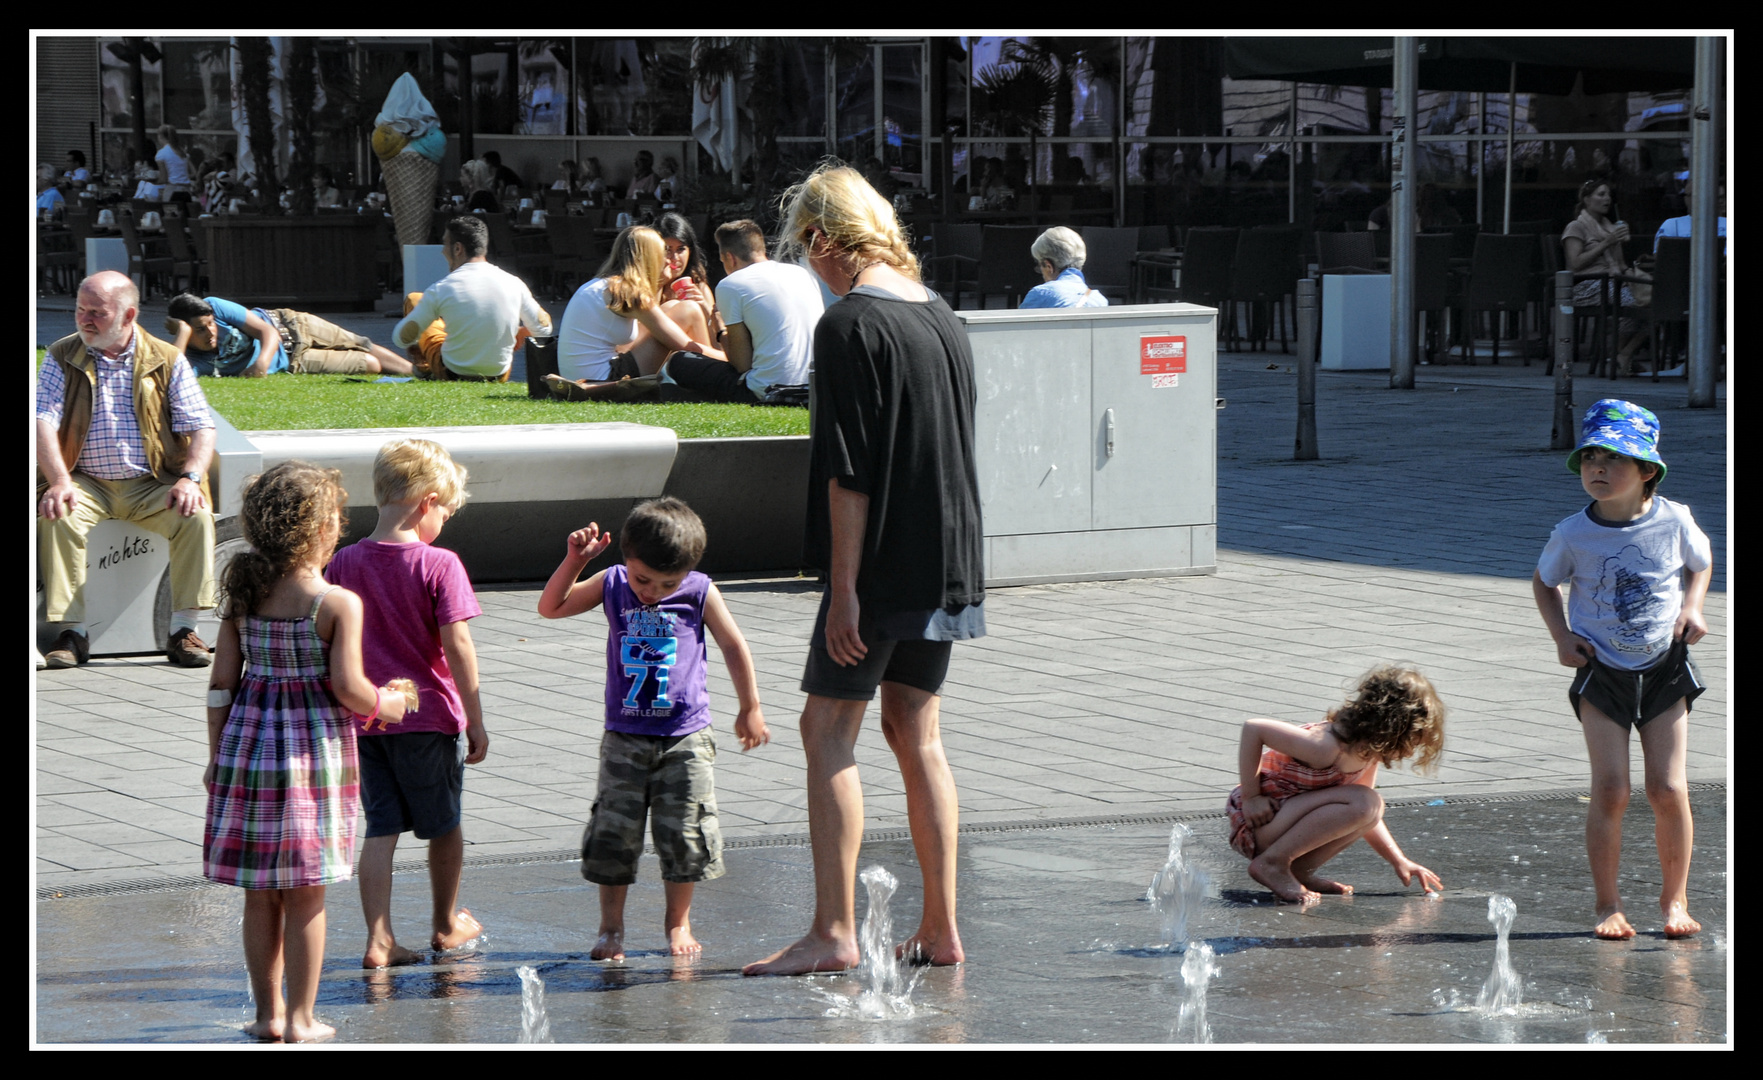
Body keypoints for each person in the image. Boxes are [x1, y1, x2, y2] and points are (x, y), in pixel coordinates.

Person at [744, 165, 985, 977]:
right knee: (916, 733)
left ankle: (834, 931)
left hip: (879, 560)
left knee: (826, 729)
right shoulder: (941, 316)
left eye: (804, 251)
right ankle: (941, 927)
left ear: (821, 239)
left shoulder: (849, 325)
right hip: (949, 553)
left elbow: (849, 473)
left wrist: (842, 590)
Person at [202, 460, 412, 1042]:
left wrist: (218, 756)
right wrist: (387, 704)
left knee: (260, 893)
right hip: (310, 760)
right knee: (306, 893)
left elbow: (221, 683)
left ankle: (267, 1015)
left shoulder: (244, 592)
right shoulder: (336, 603)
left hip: (247, 752)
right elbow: (348, 690)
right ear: (322, 528)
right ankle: (301, 1019)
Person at [537, 497, 769, 959]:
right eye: (644, 579)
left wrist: (750, 707)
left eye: (668, 584)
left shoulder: (700, 590)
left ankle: (677, 923)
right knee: (613, 835)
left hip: (687, 736)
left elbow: (733, 646)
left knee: (684, 833)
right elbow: (551, 607)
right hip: (625, 735)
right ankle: (611, 929)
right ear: (627, 559)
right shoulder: (613, 583)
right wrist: (575, 561)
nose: (652, 592)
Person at [1532, 399, 1711, 940]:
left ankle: (1674, 898)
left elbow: (1699, 566)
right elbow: (1544, 583)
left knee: (1668, 788)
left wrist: (1693, 606)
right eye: (1590, 457)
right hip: (1601, 671)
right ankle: (1606, 904)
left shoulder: (1674, 519)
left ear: (1647, 471)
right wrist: (1562, 637)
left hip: (1663, 669)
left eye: (1613, 459)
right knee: (1611, 788)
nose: (1597, 469)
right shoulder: (1572, 532)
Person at [325, 439, 489, 969]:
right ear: (428, 500)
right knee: (444, 824)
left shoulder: (343, 561)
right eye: (445, 510)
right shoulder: (439, 563)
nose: (444, 519)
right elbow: (457, 646)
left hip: (366, 717)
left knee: (380, 827)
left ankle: (379, 938)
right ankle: (445, 924)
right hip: (427, 718)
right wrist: (476, 719)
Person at [37, 271, 218, 670]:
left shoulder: (167, 359)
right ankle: (74, 632)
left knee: (197, 516)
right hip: (85, 481)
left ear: (128, 314)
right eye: (80, 310)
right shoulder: (61, 354)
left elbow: (202, 427)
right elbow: (43, 421)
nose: (84, 320)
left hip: (153, 482)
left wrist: (189, 478)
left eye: (96, 313)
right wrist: (60, 481)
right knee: (58, 512)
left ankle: (183, 629)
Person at [1226, 667, 1447, 904]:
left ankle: (1298, 872)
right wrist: (1252, 797)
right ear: (1394, 727)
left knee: (1369, 810)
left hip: (1283, 821)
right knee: (1366, 802)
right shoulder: (1325, 746)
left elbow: (1365, 817)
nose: (1412, 751)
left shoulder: (1368, 755)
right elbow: (1254, 728)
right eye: (1413, 740)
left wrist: (1399, 860)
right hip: (1259, 820)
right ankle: (1273, 863)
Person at [661, 218, 823, 404]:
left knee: (679, 361)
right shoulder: (801, 274)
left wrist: (719, 328)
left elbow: (741, 364)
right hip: (811, 387)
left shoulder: (732, 284)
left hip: (766, 390)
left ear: (730, 258)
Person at [549, 225, 721, 397]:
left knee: (671, 307)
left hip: (580, 378)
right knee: (687, 310)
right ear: (650, 257)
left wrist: (660, 282)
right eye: (663, 253)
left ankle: (710, 373)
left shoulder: (605, 284)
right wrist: (729, 359)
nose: (669, 261)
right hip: (603, 382)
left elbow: (655, 320)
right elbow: (686, 346)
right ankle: (713, 376)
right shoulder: (631, 292)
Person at [395, 216, 552, 382]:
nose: (442, 251)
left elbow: (400, 339)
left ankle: (424, 369)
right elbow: (544, 328)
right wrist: (519, 333)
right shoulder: (514, 283)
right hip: (499, 375)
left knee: (415, 299)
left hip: (452, 372)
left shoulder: (442, 288)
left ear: (457, 249)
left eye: (445, 244)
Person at [166, 293, 414, 377]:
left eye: (211, 324)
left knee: (360, 343)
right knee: (370, 365)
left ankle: (420, 373)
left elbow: (266, 331)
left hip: (291, 325)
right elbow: (170, 374)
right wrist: (183, 333)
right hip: (293, 361)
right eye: (199, 329)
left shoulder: (215, 305)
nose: (211, 331)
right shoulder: (193, 360)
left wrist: (261, 363)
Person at [1563, 179, 1651, 373]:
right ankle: (1620, 355)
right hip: (1585, 285)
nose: (1607, 199)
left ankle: (1624, 353)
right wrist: (1606, 243)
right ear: (1587, 199)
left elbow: (1620, 265)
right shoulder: (1576, 227)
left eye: (1608, 195)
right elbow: (1575, 264)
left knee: (1655, 301)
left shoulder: (1612, 227)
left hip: (1612, 282)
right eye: (1601, 194)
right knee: (1633, 302)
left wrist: (1632, 276)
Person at [1020, 226, 1109, 309]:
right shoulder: (1099, 300)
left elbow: (1018, 325)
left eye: (1040, 268)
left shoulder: (1041, 293)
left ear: (1048, 266)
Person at [1654, 179, 1726, 251]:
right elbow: (1662, 257)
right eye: (1717, 198)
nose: (1722, 202)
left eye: (1722, 197)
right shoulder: (1672, 225)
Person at [154, 123, 194, 201]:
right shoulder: (182, 152)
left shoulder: (161, 154)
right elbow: (194, 173)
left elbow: (163, 179)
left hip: (172, 190)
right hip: (187, 190)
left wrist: (153, 181)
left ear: (160, 136)